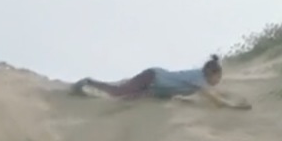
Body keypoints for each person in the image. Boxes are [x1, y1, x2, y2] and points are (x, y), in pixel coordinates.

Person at [71, 54, 251, 110]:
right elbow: (214, 100)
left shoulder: (199, 80)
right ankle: (88, 82)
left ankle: (92, 97)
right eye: (218, 77)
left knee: (126, 100)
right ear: (211, 73)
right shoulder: (199, 78)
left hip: (155, 89)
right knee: (119, 92)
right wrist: (233, 107)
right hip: (153, 77)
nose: (218, 81)